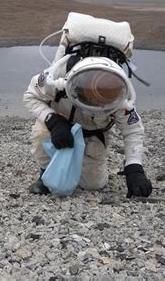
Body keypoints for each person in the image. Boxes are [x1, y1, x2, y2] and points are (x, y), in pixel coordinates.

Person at [23, 14, 152, 198]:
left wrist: (134, 168)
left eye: (102, 97)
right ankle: (45, 174)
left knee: (93, 186)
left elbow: (132, 130)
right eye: (90, 93)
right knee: (42, 132)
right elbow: (30, 96)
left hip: (92, 136)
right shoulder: (58, 75)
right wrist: (52, 120)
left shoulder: (118, 91)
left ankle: (83, 164)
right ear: (76, 85)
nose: (96, 100)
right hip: (59, 127)